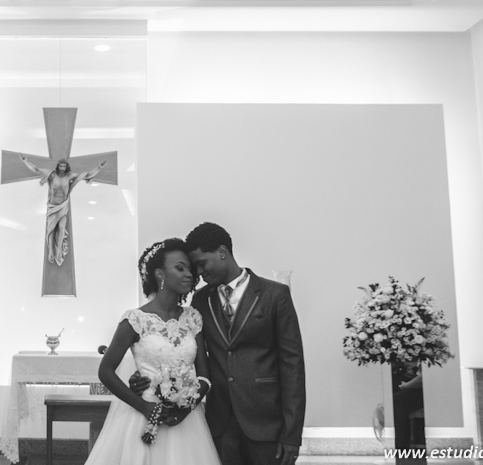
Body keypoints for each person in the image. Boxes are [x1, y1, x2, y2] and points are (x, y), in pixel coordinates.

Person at [84, 239, 221, 465]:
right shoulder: (135, 319)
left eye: (189, 269)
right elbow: (105, 371)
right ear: (159, 274)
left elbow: (204, 376)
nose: (189, 274)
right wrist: (145, 407)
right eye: (180, 268)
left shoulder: (193, 318)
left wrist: (186, 408)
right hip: (142, 416)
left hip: (187, 422)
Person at [184, 222, 305, 465]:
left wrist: (292, 434)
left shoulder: (275, 294)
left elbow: (292, 365)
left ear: (222, 252)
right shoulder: (201, 300)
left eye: (202, 263)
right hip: (221, 425)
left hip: (267, 423)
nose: (199, 272)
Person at [18, 155, 107, 266]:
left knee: (61, 227)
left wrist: (99, 168)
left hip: (63, 206)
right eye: (61, 166)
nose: (62, 168)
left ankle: (59, 249)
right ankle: (51, 251)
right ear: (58, 166)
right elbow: (36, 169)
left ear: (66, 167)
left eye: (64, 166)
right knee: (51, 230)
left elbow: (87, 175)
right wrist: (26, 161)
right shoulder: (51, 175)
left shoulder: (70, 176)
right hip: (52, 206)